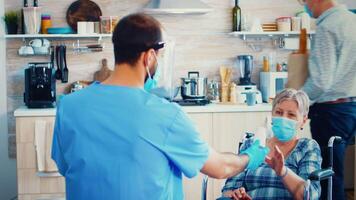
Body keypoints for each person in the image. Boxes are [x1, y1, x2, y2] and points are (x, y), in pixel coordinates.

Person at [51, 13, 269, 200]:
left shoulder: (69, 105)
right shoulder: (165, 114)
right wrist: (251, 155)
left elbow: (66, 167)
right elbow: (221, 167)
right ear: (149, 57)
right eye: (160, 57)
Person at [298, 0, 356, 199]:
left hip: (331, 113)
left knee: (327, 178)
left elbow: (320, 82)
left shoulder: (328, 26)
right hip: (350, 110)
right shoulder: (352, 21)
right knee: (336, 174)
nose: (305, 5)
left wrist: (296, 101)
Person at [221, 89, 322, 200]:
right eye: (278, 112)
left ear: (303, 120)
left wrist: (282, 171)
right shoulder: (253, 144)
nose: (283, 118)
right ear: (272, 115)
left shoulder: (307, 147)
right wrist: (237, 194)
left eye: (291, 115)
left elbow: (310, 196)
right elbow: (228, 190)